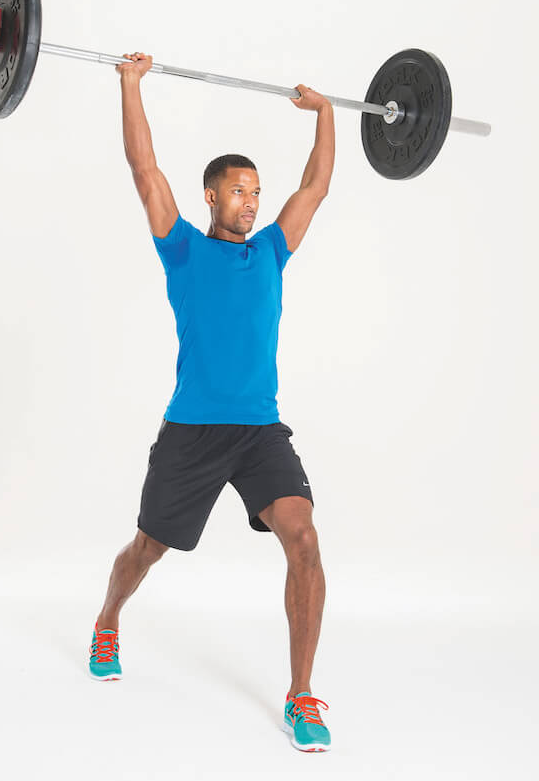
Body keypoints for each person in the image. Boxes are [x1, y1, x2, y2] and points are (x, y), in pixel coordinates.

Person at [88, 51, 335, 753]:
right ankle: (108, 617)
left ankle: (302, 694)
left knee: (306, 541)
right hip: (192, 431)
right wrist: (132, 86)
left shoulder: (273, 253)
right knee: (146, 549)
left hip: (260, 432)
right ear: (211, 197)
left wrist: (323, 113)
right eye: (237, 191)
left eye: (256, 191)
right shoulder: (184, 250)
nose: (251, 202)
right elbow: (146, 172)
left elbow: (317, 184)